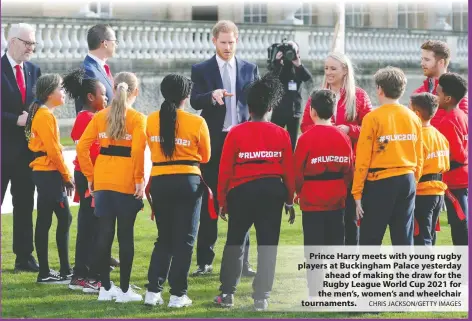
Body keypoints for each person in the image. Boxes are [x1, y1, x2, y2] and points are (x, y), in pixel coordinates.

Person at [214, 74, 295, 311]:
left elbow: (225, 170)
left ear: (248, 107)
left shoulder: (236, 132)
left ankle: (227, 294)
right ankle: (262, 297)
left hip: (241, 191)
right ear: (270, 107)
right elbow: (288, 171)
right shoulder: (282, 133)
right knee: (268, 244)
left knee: (235, 242)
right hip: (272, 191)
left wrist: (222, 201)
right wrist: (289, 200)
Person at [190, 20, 259, 277]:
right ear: (214, 41)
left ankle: (244, 262)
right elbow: (194, 99)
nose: (228, 47)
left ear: (237, 41)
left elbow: (259, 101)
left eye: (231, 42)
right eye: (223, 42)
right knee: (209, 200)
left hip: (242, 141)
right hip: (213, 142)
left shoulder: (250, 69)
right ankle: (205, 261)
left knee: (244, 200)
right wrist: (211, 96)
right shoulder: (201, 69)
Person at [77, 72, 146, 302]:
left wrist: (90, 175)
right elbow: (137, 151)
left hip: (104, 179)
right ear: (135, 92)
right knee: (125, 236)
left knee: (104, 234)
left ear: (114, 88)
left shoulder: (100, 116)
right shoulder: (137, 118)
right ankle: (125, 290)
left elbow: (82, 148)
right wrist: (139, 179)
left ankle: (105, 288)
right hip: (126, 181)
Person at [144, 74, 211, 308]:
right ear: (187, 96)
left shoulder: (151, 120)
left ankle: (153, 292)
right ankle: (178, 295)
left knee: (164, 239)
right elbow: (206, 156)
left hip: (160, 180)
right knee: (185, 240)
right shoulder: (197, 122)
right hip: (188, 182)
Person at [300, 52, 372, 246]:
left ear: (345, 70)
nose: (328, 73)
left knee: (350, 219)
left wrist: (350, 130)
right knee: (324, 225)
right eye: (326, 68)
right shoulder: (317, 95)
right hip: (322, 169)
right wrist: (325, 131)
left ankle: (349, 267)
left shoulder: (358, 95)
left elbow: (371, 128)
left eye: (333, 68)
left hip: (350, 168)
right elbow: (305, 125)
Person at [352, 67, 423, 246]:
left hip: (380, 181)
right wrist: (414, 179)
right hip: (407, 178)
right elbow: (420, 154)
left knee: (371, 238)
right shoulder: (413, 117)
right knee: (404, 239)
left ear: (379, 89)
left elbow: (363, 158)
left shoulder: (372, 118)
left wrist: (357, 193)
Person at [294, 89, 354, 296]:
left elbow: (298, 170)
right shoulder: (343, 136)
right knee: (337, 243)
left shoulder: (306, 138)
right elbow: (349, 168)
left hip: (312, 198)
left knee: (313, 245)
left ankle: (315, 289)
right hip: (337, 198)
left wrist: (297, 191)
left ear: (311, 111)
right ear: (334, 111)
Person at [24, 74, 75, 283]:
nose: (63, 93)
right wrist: (66, 175)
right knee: (63, 218)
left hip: (44, 173)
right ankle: (61, 270)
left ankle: (51, 271)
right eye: (60, 89)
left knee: (48, 220)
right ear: (49, 94)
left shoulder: (44, 114)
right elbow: (53, 151)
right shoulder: (45, 116)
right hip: (48, 173)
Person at [62, 68, 108, 292]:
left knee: (93, 226)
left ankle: (86, 274)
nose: (106, 97)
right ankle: (83, 275)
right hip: (89, 177)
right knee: (90, 227)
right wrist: (92, 181)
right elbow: (87, 151)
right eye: (103, 93)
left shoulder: (90, 117)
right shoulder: (86, 118)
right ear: (91, 97)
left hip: (91, 176)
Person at [1, 23, 41, 272]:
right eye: (27, 43)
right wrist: (13, 119)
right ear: (12, 41)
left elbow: (39, 103)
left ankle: (24, 257)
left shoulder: (34, 70)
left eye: (33, 44)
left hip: (27, 151)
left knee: (25, 204)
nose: (31, 48)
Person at [408, 93, 449, 246]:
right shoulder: (439, 136)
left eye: (409, 109)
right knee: (430, 236)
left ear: (416, 114)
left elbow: (415, 167)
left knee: (421, 238)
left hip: (422, 192)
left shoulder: (417, 138)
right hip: (438, 192)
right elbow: (446, 165)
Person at [435, 73, 468, 245]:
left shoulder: (448, 122)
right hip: (460, 178)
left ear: (447, 98)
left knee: (460, 224)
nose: (435, 96)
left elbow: (459, 155)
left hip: (455, 180)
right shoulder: (461, 115)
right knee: (460, 223)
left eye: (438, 93)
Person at [268, 40, 312, 150]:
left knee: (292, 143)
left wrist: (299, 65)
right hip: (279, 109)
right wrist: (277, 63)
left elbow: (308, 80)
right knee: (274, 141)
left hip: (294, 111)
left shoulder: (298, 68)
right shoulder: (279, 67)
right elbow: (271, 80)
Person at [414, 40, 468, 128]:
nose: (422, 63)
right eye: (422, 59)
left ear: (441, 62)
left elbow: (464, 128)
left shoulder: (457, 90)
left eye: (427, 60)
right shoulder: (418, 93)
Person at [75, 24, 117, 115]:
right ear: (105, 43)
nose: (116, 45)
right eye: (114, 41)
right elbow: (87, 113)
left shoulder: (102, 68)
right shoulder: (88, 70)